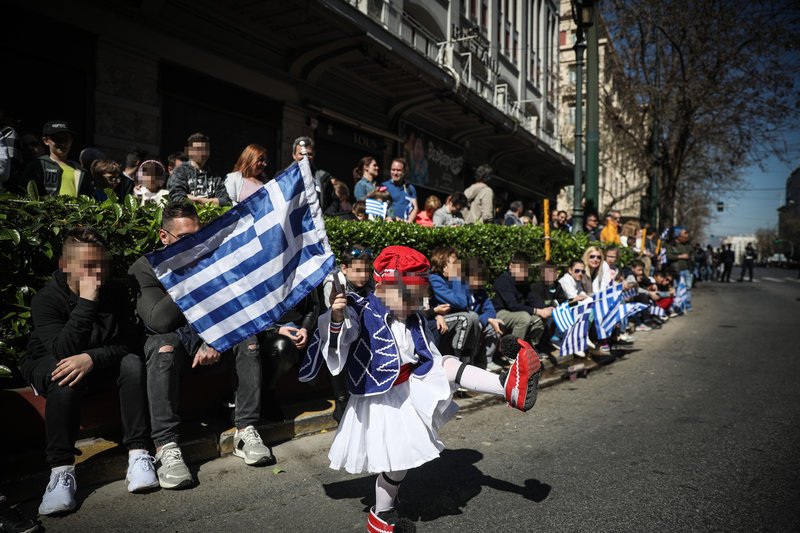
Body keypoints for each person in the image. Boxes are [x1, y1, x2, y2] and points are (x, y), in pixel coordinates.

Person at [299, 245, 542, 532]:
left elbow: (426, 355)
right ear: (385, 287)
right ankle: (381, 516)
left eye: (417, 294)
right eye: (407, 294)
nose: (414, 302)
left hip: (409, 384)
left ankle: (508, 386)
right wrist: (337, 317)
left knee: (447, 365)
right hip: (380, 399)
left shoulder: (411, 317)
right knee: (396, 464)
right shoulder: (359, 310)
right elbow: (340, 339)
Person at [128, 203, 271, 490]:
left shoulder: (212, 260)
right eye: (184, 238)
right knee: (162, 345)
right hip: (175, 346)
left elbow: (233, 307)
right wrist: (191, 278)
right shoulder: (145, 267)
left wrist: (213, 338)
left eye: (198, 235)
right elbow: (159, 320)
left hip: (210, 340)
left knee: (248, 338)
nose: (193, 244)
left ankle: (246, 430)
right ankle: (166, 447)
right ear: (164, 237)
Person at [21, 227, 156, 515]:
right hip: (51, 358)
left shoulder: (117, 290)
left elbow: (130, 341)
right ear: (64, 264)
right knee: (63, 375)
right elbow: (61, 350)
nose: (96, 273)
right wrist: (86, 302)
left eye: (101, 264)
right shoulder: (46, 299)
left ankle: (139, 453)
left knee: (132, 363)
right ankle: (61, 470)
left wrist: (92, 359)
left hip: (99, 359)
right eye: (87, 266)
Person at [428, 247, 482, 366]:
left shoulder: (453, 279)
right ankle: (456, 361)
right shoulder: (435, 280)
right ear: (442, 264)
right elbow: (461, 302)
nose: (458, 266)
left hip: (453, 316)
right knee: (466, 318)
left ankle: (468, 360)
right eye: (454, 263)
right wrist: (456, 278)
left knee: (474, 317)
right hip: (438, 318)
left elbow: (466, 301)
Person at [492, 252, 552, 346]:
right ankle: (512, 353)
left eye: (526, 270)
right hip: (500, 312)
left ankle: (529, 348)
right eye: (521, 269)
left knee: (539, 320)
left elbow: (532, 299)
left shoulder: (522, 282)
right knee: (524, 317)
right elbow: (513, 305)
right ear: (511, 266)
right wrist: (538, 311)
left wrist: (546, 309)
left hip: (516, 313)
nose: (523, 273)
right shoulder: (503, 281)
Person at [21, 120, 92, 197]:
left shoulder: (81, 171)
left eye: (66, 138)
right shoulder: (37, 166)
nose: (62, 143)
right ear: (45, 141)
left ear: (71, 141)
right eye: (57, 139)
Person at [167, 132, 231, 207]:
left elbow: (226, 201)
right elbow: (177, 199)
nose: (201, 153)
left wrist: (198, 200)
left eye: (204, 149)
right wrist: (213, 202)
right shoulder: (180, 172)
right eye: (197, 149)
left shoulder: (214, 176)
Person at [290, 136, 336, 213]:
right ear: (294, 155)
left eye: (309, 154)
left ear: (314, 155)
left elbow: (334, 202)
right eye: (302, 154)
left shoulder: (324, 178)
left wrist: (325, 217)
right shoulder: (282, 178)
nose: (306, 157)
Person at [381, 158, 418, 223]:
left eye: (398, 170)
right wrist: (392, 218)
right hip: (388, 224)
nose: (395, 173)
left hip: (405, 225)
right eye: (393, 170)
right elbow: (384, 205)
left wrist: (408, 222)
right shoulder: (384, 186)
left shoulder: (410, 188)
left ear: (404, 171)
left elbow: (415, 207)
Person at [666, 227, 694, 311]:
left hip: (686, 270)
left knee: (688, 287)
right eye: (684, 236)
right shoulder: (671, 245)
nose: (686, 238)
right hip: (676, 270)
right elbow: (668, 256)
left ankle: (688, 305)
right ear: (678, 237)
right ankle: (677, 305)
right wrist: (681, 256)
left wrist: (691, 262)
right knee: (677, 287)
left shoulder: (688, 246)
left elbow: (691, 256)